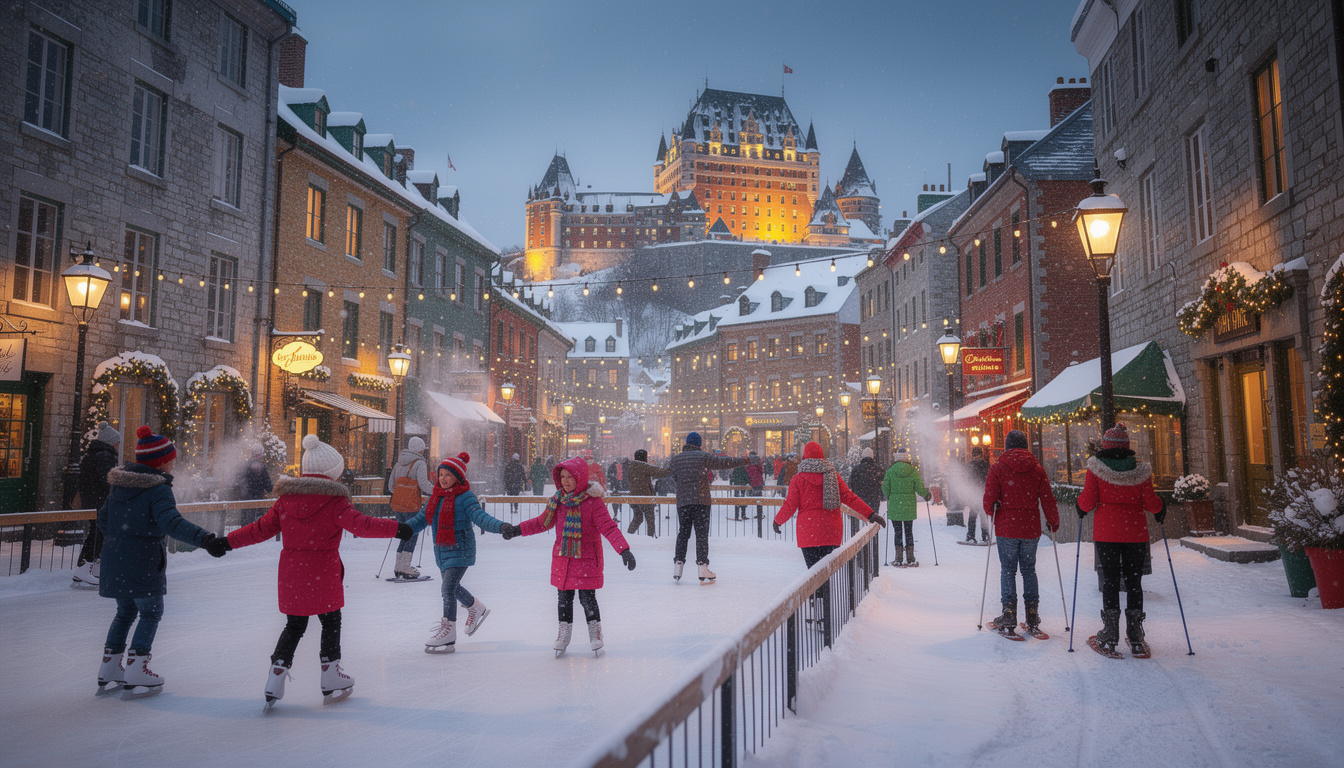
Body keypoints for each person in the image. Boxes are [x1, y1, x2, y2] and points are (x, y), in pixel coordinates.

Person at [217, 434, 410, 707]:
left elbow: (259, 530)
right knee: (331, 621)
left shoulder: (285, 501)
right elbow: (362, 525)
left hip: (292, 574)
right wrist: (397, 528)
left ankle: (276, 675)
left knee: (294, 626)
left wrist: (226, 542)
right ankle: (330, 675)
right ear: (332, 472)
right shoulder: (335, 502)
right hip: (323, 572)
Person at [94, 427, 226, 697]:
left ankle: (109, 667)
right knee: (151, 612)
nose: (173, 463)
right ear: (160, 461)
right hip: (142, 561)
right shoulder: (158, 489)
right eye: (170, 458)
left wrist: (122, 539)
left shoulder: (119, 486)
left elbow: (103, 520)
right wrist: (206, 539)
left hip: (115, 558)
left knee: (125, 612)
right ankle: (137, 667)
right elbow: (172, 523)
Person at [504, 456, 635, 656]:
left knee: (587, 598)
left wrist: (623, 549)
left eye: (570, 477)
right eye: (563, 477)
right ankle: (563, 634)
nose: (565, 481)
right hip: (563, 559)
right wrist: (517, 530)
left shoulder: (593, 502)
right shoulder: (558, 502)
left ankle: (595, 633)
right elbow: (541, 523)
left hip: (587, 559)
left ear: (580, 478)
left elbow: (608, 527)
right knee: (563, 599)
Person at [404, 452, 511, 653]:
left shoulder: (465, 497)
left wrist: (501, 526)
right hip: (442, 551)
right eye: (441, 474)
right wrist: (401, 529)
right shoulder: (435, 497)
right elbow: (421, 519)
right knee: (451, 587)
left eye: (448, 475)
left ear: (458, 477)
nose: (443, 478)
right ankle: (475, 607)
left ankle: (448, 630)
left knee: (447, 589)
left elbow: (480, 517)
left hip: (461, 549)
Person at [1076, 423, 1165, 657]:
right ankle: (1136, 636)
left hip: (1107, 535)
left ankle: (1110, 633)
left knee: (1111, 581)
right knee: (1134, 583)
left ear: (1105, 446)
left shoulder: (1095, 471)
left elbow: (1087, 502)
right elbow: (1151, 502)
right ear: (1127, 447)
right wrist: (1160, 509)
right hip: (1135, 534)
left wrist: (1079, 506)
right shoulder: (1140, 471)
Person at [773, 441, 882, 622]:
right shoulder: (833, 476)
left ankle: (817, 610)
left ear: (805, 456)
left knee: (813, 573)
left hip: (808, 533)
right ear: (822, 455)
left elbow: (790, 505)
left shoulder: (799, 479)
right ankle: (825, 613)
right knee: (825, 573)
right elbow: (850, 498)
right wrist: (870, 514)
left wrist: (778, 521)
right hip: (830, 531)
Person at [982, 429, 1059, 637]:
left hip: (1007, 528)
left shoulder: (998, 468)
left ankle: (1008, 615)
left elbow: (989, 500)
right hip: (1030, 528)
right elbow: (1047, 498)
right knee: (1028, 570)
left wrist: (994, 508)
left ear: (1007, 446)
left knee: (1008, 571)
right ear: (1025, 446)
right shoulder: (1038, 469)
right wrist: (1053, 521)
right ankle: (1032, 617)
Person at [668, 432, 747, 582]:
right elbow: (726, 463)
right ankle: (702, 567)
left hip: (684, 501)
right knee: (701, 534)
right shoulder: (703, 456)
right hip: (701, 500)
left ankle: (678, 564)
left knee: (683, 533)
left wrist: (684, 486)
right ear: (699, 444)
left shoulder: (676, 459)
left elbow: (674, 477)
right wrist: (746, 460)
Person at [74, 421, 121, 589]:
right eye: (117, 443)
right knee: (97, 534)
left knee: (98, 533)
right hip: (100, 503)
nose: (118, 446)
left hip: (93, 501)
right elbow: (108, 481)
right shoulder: (104, 457)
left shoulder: (94, 455)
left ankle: (92, 567)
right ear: (110, 442)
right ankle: (85, 566)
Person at [387, 437, 434, 580]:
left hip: (398, 505)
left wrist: (402, 492)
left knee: (403, 534)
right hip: (411, 505)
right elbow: (424, 484)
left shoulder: (399, 463)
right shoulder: (419, 463)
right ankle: (405, 567)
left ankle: (398, 566)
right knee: (412, 534)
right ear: (421, 449)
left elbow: (391, 486)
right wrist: (437, 491)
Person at [882, 449, 931, 566]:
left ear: (896, 459)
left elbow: (885, 490)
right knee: (909, 531)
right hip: (909, 506)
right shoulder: (913, 471)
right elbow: (919, 487)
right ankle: (910, 557)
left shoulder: (890, 471)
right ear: (907, 458)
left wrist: (888, 490)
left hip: (895, 506)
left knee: (897, 532)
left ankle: (898, 558)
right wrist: (926, 494)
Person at [626, 449, 670, 536]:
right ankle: (650, 538)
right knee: (650, 520)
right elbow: (660, 473)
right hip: (645, 497)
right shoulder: (643, 466)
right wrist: (671, 468)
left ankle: (629, 535)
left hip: (634, 497)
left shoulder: (630, 466)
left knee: (637, 518)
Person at [234, 447, 274, 527]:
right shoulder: (262, 467)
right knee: (255, 518)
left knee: (245, 517)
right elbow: (267, 481)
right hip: (257, 496)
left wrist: (240, 491)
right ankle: (252, 532)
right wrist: (271, 489)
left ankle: (244, 531)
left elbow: (239, 480)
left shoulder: (245, 465)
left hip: (245, 497)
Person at [847, 448, 884, 523]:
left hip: (860, 498)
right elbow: (882, 484)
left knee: (857, 520)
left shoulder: (856, 469)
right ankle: (874, 534)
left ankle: (856, 533)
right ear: (872, 456)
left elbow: (851, 484)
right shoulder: (878, 469)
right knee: (874, 521)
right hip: (874, 498)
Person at [965, 447, 991, 544]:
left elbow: (967, 480)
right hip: (980, 493)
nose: (977, 457)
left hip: (978, 493)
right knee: (979, 515)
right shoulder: (985, 465)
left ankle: (971, 536)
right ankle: (984, 536)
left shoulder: (970, 466)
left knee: (975, 515)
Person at [746, 451, 766, 520]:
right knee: (759, 498)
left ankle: (743, 513)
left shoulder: (747, 462)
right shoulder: (758, 462)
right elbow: (761, 471)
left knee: (744, 498)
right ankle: (759, 513)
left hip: (750, 481)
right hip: (758, 482)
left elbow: (747, 471)